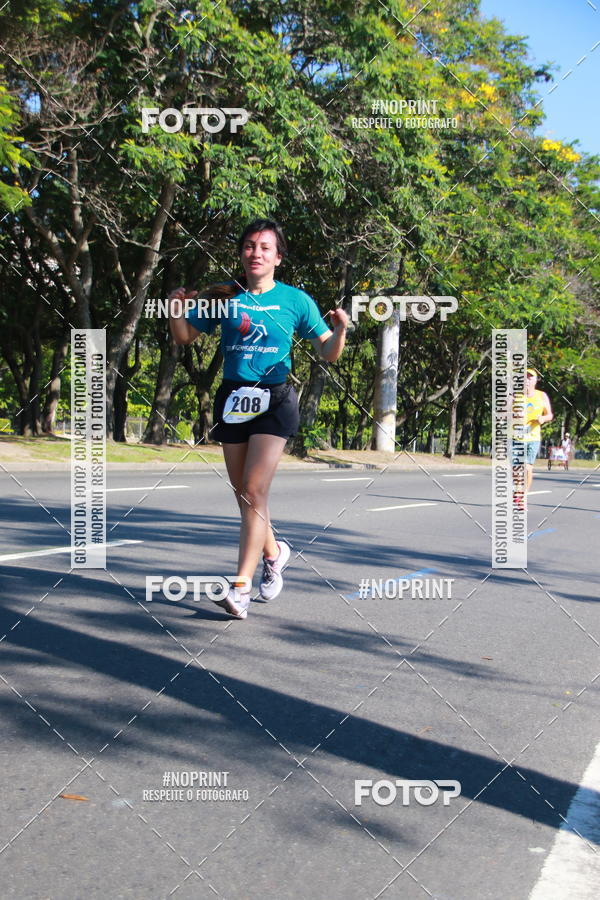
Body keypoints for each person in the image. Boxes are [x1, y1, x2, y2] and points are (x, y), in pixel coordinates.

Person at [168, 219, 348, 619]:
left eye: (265, 247)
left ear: (278, 257)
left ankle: (240, 588)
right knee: (244, 494)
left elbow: (328, 352)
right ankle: (275, 551)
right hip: (232, 399)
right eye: (250, 246)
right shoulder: (224, 296)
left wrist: (340, 332)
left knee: (253, 490)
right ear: (241, 253)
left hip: (275, 400)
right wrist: (176, 310)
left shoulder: (296, 301)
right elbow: (184, 337)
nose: (256, 253)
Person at [513, 368, 553, 500]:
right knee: (516, 469)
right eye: (525, 377)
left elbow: (550, 415)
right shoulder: (515, 395)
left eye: (530, 377)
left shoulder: (541, 396)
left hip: (533, 437)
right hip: (516, 437)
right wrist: (513, 414)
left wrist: (543, 418)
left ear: (535, 380)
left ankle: (523, 496)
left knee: (527, 467)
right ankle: (518, 490)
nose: (527, 380)